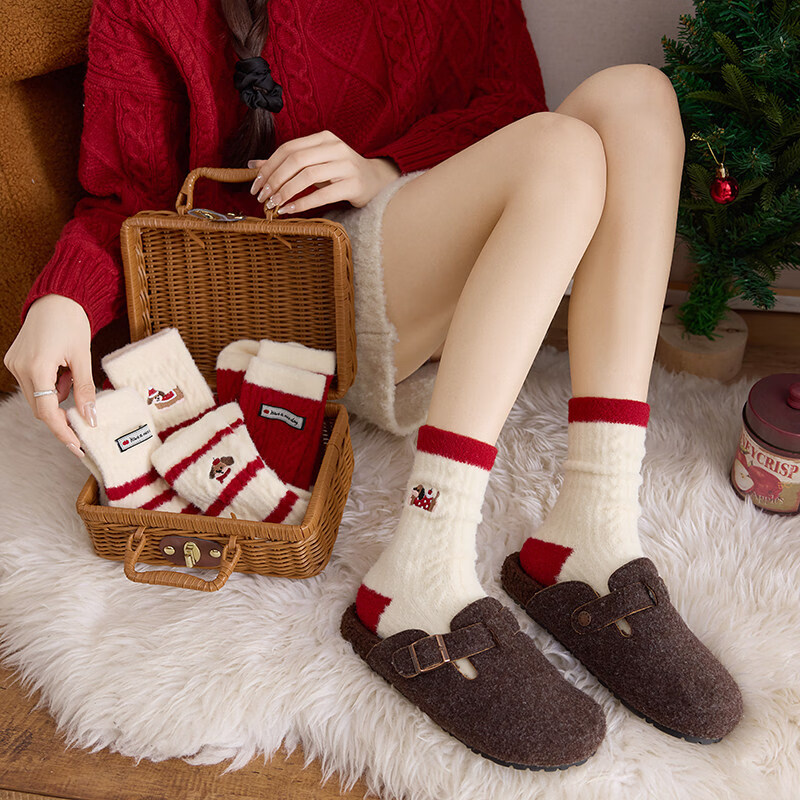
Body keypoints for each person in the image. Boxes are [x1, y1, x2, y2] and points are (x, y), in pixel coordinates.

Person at [4, 0, 742, 770]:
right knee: (561, 150)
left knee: (636, 98)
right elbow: (125, 199)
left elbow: (508, 108)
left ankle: (594, 527)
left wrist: (384, 166)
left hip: (413, 243)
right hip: (273, 305)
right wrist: (65, 297)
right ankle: (423, 564)